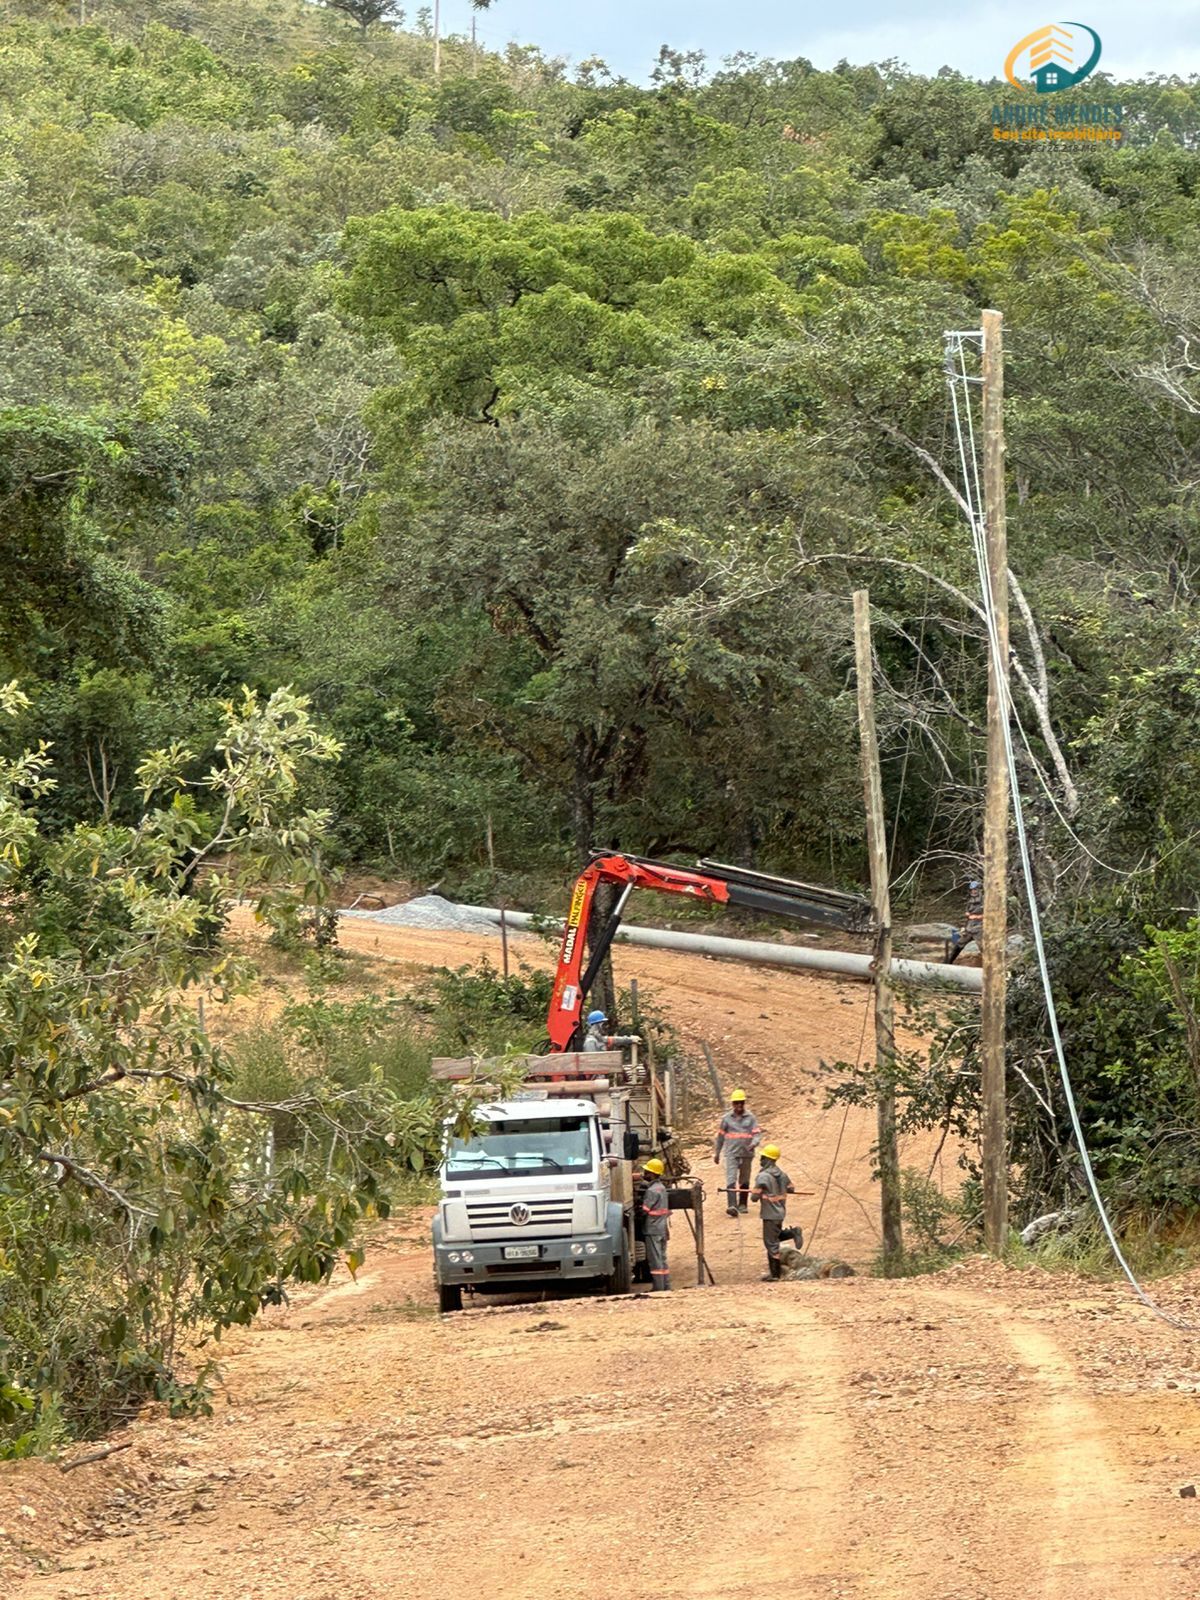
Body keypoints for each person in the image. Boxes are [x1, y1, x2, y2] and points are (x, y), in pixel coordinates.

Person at [713, 1089, 762, 1217]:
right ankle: (732, 1205)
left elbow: (757, 1133)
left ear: (744, 1103)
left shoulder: (751, 1118)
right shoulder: (726, 1119)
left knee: (744, 1179)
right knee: (731, 1178)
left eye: (741, 1103)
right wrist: (717, 1153)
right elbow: (720, 1137)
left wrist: (754, 1143)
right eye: (736, 1103)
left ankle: (743, 1204)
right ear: (732, 1104)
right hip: (731, 1154)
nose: (739, 1106)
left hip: (747, 1154)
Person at [751, 1145, 795, 1281]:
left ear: (769, 1160)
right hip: (780, 1212)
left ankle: (775, 1275)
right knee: (774, 1237)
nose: (760, 1161)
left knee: (771, 1243)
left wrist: (759, 1191)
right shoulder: (782, 1174)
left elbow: (754, 1198)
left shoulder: (763, 1176)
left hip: (769, 1213)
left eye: (763, 1158)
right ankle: (792, 1233)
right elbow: (791, 1189)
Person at [640, 1157, 671, 1292]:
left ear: (652, 1174)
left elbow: (645, 1210)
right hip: (662, 1228)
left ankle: (658, 1288)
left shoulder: (651, 1191)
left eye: (647, 1172)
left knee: (655, 1259)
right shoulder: (662, 1188)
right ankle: (666, 1286)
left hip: (652, 1229)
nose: (644, 1174)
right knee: (662, 1258)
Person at [946, 880, 983, 965]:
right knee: (959, 943)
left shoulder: (984, 901)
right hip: (970, 927)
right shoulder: (970, 901)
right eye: (972, 890)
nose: (974, 891)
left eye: (975, 889)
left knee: (983, 947)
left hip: (980, 928)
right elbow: (967, 913)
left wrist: (978, 917)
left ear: (979, 890)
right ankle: (948, 963)